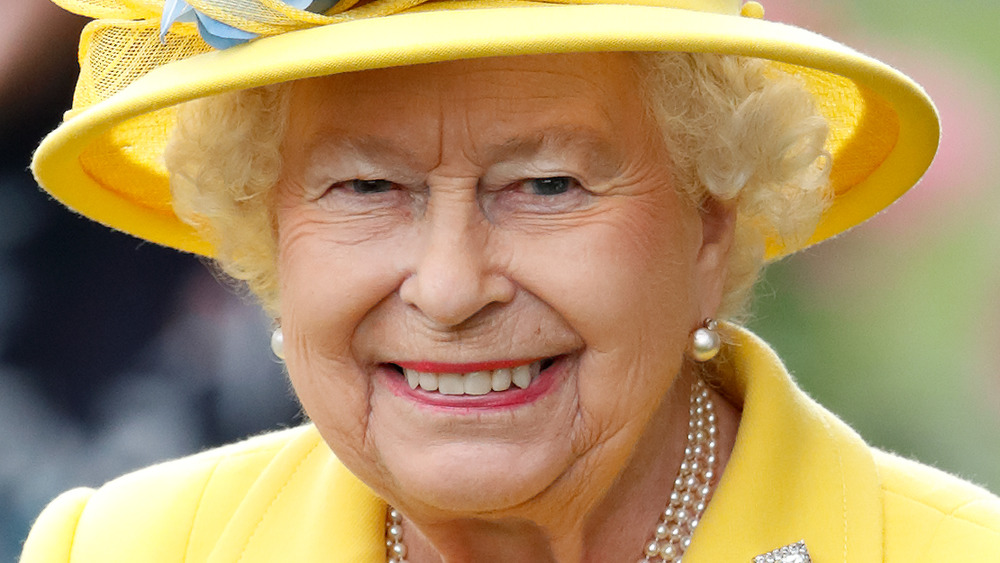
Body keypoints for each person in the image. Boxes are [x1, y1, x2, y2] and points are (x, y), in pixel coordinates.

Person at [21, 0, 1000, 561]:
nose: (450, 288)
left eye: (544, 183)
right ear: (269, 235)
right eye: (366, 185)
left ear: (711, 221)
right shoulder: (127, 546)